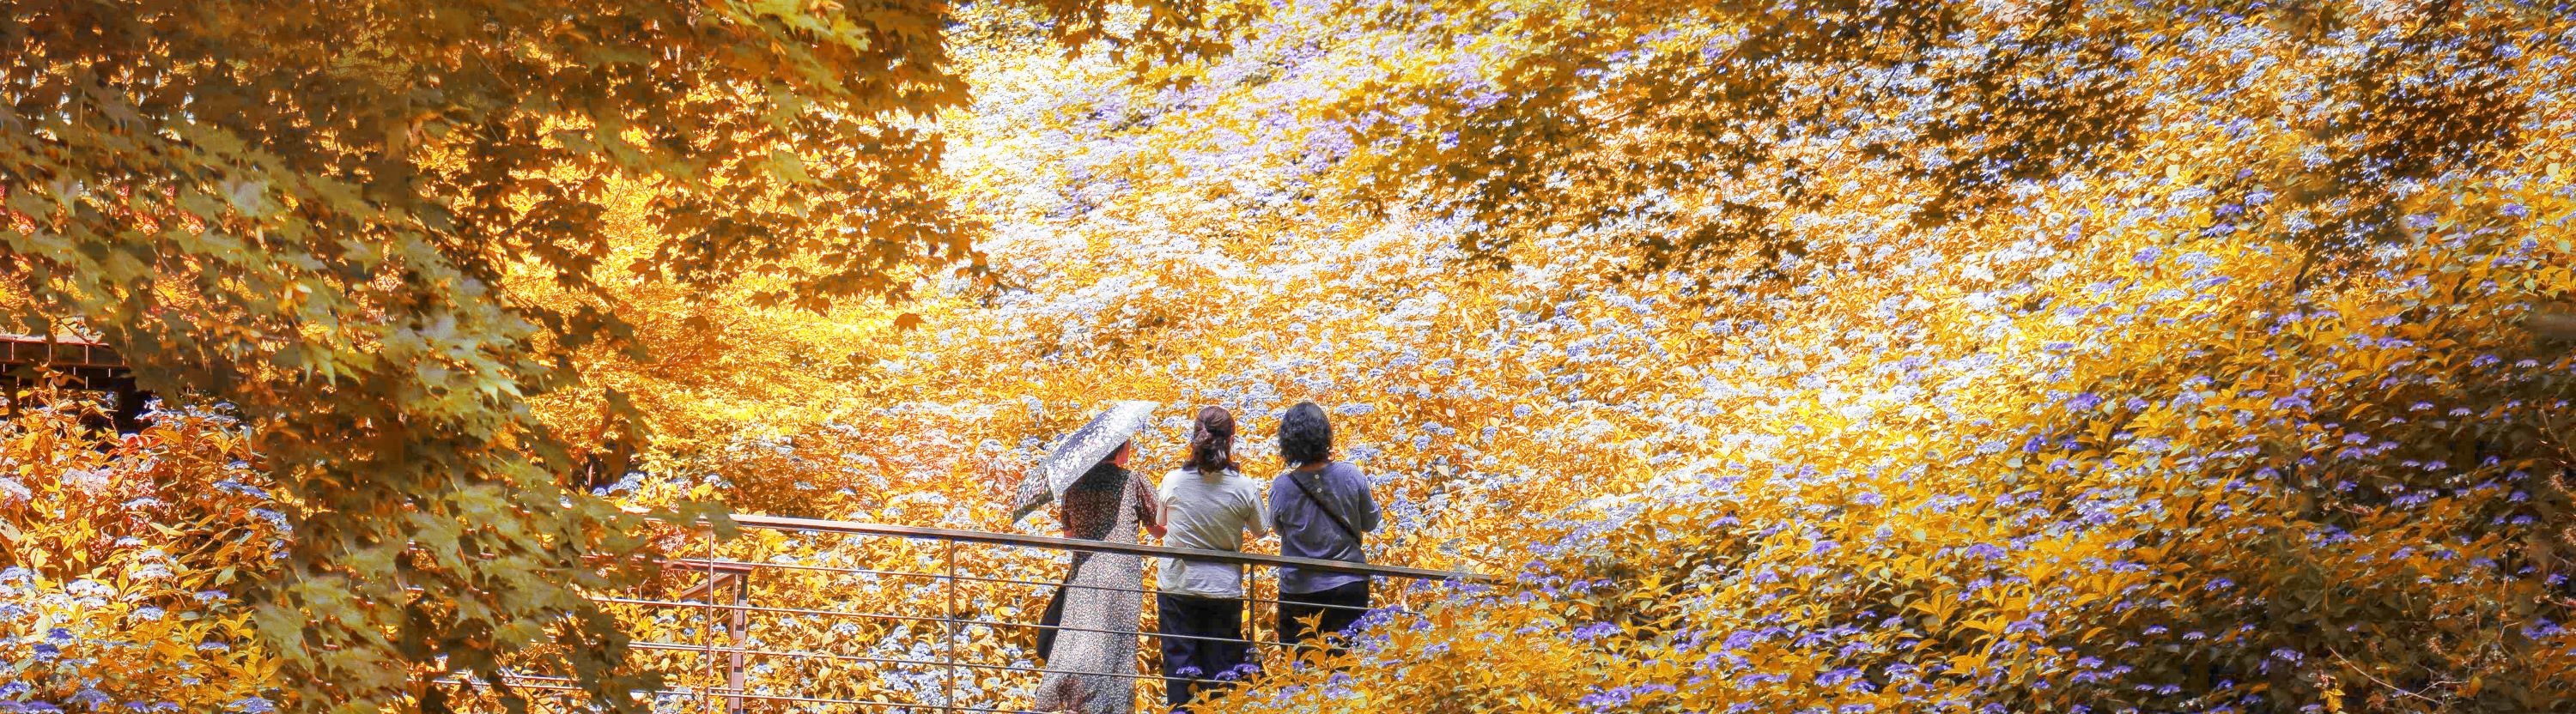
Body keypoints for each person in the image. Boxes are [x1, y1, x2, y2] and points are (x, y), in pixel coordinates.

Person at [1011, 402, 1165, 714]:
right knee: (1115, 647)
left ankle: (1065, 702)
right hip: (1121, 575)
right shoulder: (1132, 480)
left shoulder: (1073, 485)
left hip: (1083, 571)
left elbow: (1069, 539)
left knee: (1077, 640)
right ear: (1120, 449)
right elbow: (1159, 530)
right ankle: (1110, 708)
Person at [1151, 407, 1268, 712]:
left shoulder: (1173, 481)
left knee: (1180, 669)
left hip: (1177, 586)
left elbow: (1160, 524)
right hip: (1223, 589)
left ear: (1194, 438)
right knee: (1221, 670)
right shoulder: (1243, 486)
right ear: (1231, 439)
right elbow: (1262, 530)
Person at [1267, 401, 1381, 650]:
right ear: (1326, 436)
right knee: (1347, 663)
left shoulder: (1282, 487)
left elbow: (1277, 527)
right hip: (1347, 586)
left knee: (1299, 668)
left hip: (1299, 590)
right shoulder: (1351, 475)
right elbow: (1371, 521)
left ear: (1287, 442)